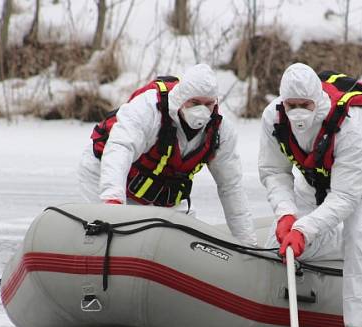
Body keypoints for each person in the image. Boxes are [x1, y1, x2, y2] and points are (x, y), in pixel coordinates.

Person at [258, 63, 362, 327]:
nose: (297, 112)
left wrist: (305, 228)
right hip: (316, 175)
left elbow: (347, 196)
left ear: (317, 100)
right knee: (279, 242)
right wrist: (287, 216)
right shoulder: (273, 118)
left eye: (304, 106)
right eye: (291, 105)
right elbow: (274, 171)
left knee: (361, 236)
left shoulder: (353, 121)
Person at [76, 63, 257, 246]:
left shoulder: (220, 131)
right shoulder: (149, 108)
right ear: (181, 98)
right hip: (106, 176)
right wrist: (113, 204)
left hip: (163, 196)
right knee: (115, 241)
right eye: (194, 103)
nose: (202, 111)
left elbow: (230, 187)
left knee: (187, 247)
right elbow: (120, 149)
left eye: (208, 104)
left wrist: (247, 243)